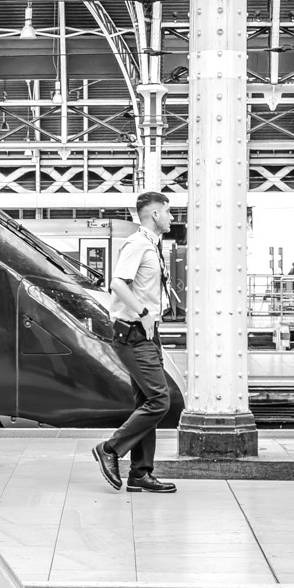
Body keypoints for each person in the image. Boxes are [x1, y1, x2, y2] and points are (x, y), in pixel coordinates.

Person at [94, 191, 183, 494]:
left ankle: (140, 474)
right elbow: (117, 283)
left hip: (147, 333)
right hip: (133, 334)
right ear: (155, 214)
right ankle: (109, 449)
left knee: (146, 401)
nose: (172, 217)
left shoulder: (152, 245)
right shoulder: (137, 244)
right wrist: (143, 313)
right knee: (159, 400)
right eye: (168, 211)